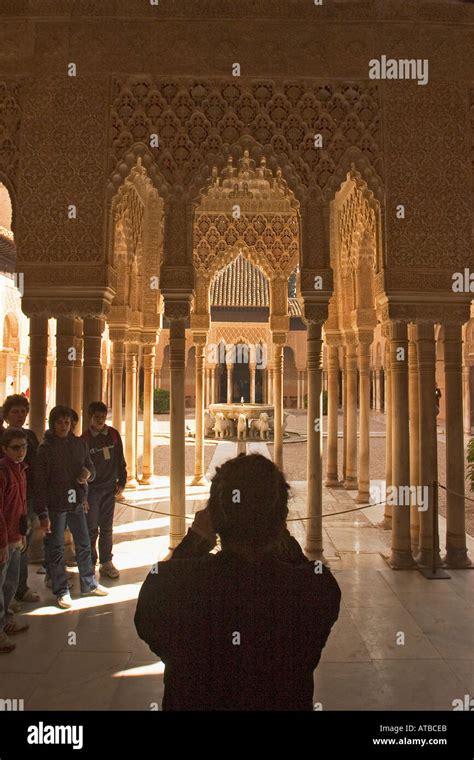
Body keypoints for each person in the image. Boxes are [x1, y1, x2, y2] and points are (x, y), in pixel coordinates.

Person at [135, 453, 341, 711]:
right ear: (280, 519)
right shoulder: (314, 590)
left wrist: (195, 540)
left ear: (213, 517)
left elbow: (155, 606)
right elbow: (305, 569)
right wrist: (275, 525)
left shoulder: (173, 587)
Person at [34, 406, 108, 609]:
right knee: (56, 548)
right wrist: (42, 513)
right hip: (56, 505)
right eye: (60, 422)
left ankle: (89, 584)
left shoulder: (79, 444)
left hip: (76, 503)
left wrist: (87, 475)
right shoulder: (45, 449)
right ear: (53, 423)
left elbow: (90, 467)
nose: (64, 426)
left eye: (67, 422)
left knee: (84, 543)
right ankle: (61, 590)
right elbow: (39, 484)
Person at [1, 394, 40, 606]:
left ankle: (19, 588)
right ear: (7, 415)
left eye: (23, 411)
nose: (20, 415)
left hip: (27, 497)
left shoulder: (30, 437)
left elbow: (37, 465)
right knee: (6, 546)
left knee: (22, 544)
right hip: (7, 498)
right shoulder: (2, 438)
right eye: (15, 411)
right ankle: (6, 598)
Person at [81, 401, 127, 579]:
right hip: (92, 490)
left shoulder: (113, 434)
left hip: (109, 488)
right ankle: (91, 562)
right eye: (96, 417)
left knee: (107, 528)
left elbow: (120, 459)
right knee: (92, 528)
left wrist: (122, 480)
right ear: (90, 417)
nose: (100, 420)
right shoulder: (84, 439)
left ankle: (106, 561)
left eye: (103, 417)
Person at [0, 427, 30, 653]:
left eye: (24, 447)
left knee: (11, 582)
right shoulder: (2, 473)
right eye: (16, 448)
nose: (21, 452)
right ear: (4, 449)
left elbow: (22, 504)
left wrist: (23, 532)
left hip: (16, 536)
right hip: (4, 540)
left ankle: (7, 620)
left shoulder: (21, 470)